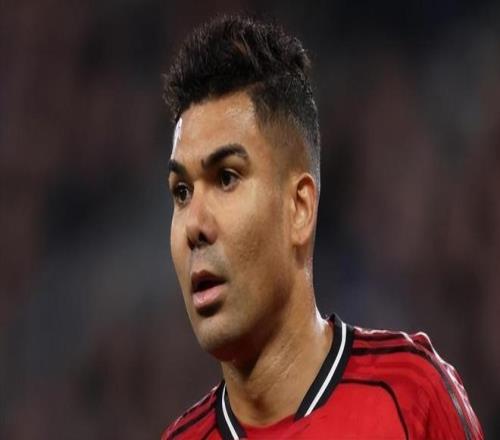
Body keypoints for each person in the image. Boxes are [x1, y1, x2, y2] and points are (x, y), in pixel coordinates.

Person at [161, 15, 483, 440]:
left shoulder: (411, 396)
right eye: (182, 191)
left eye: (226, 178)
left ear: (299, 208)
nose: (194, 225)